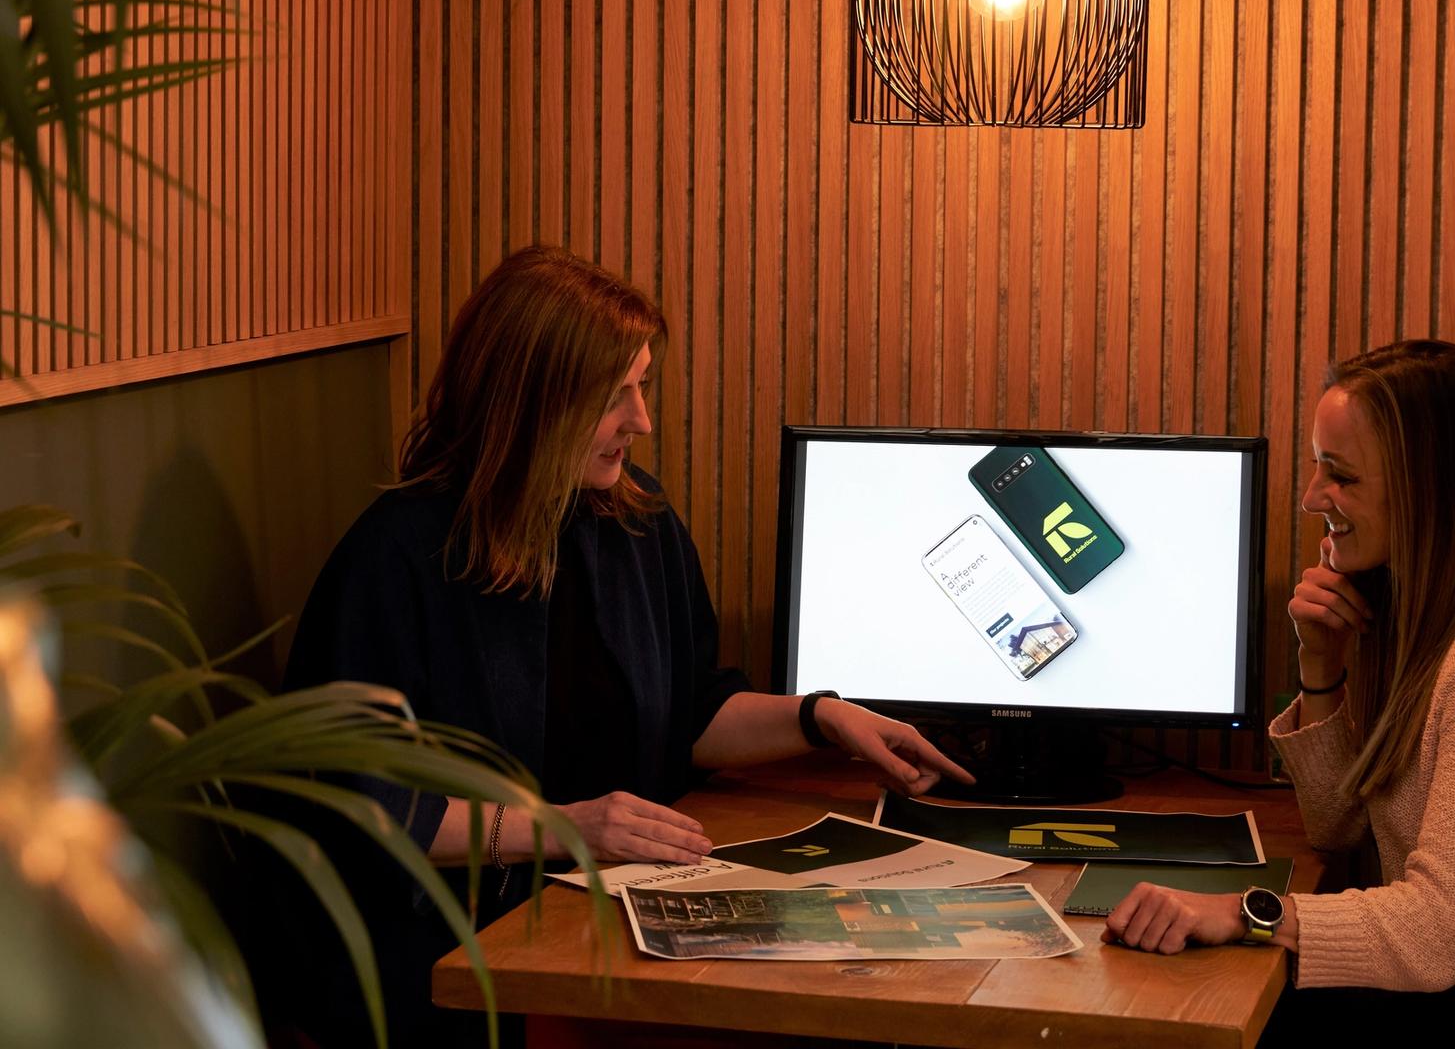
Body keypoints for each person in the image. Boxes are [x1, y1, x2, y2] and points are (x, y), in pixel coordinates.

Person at [278, 246, 972, 1044]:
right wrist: (565, 827)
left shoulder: (634, 521)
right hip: (450, 958)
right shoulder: (399, 557)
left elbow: (691, 712)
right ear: (535, 405)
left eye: (640, 387)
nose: (640, 420)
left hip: (609, 919)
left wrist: (820, 718)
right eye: (618, 396)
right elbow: (362, 808)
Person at [1102, 339, 1455, 1026]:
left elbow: (1436, 934)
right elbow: (1336, 828)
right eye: (1318, 466)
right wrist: (1321, 665)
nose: (1313, 496)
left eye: (1340, 476)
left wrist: (1239, 913)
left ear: (1430, 490)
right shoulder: (1407, 613)